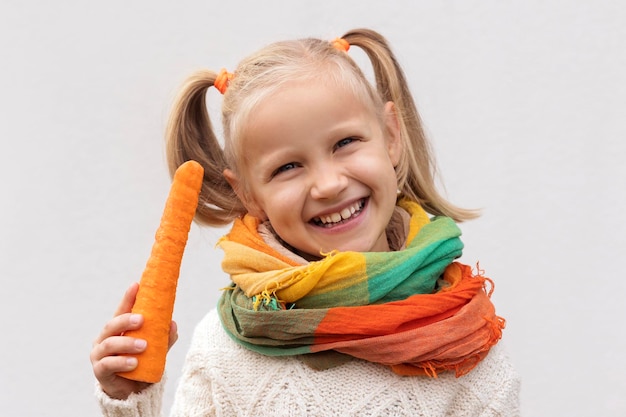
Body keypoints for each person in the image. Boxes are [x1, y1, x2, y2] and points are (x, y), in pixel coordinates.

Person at [91, 28, 521, 416]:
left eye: (345, 142)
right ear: (248, 195)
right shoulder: (225, 349)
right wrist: (131, 400)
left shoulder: (463, 338)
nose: (329, 184)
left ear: (391, 136)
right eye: (288, 167)